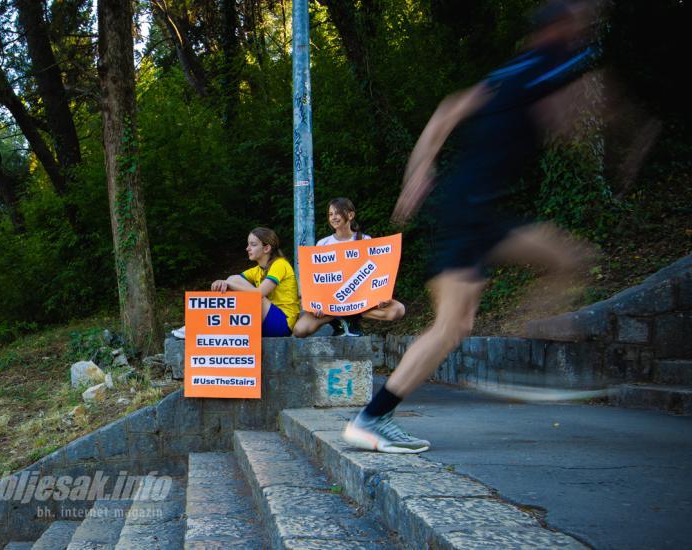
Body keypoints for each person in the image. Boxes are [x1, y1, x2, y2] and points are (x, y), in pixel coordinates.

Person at [342, 0, 605, 453]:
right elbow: (564, 121)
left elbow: (448, 110)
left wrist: (419, 170)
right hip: (473, 212)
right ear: (558, 28)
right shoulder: (543, 65)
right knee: (456, 322)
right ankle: (372, 417)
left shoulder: (515, 72)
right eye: (579, 20)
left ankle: (375, 415)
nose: (586, 25)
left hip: (469, 210)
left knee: (459, 322)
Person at [293, 197, 406, 338]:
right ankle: (339, 318)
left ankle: (353, 316)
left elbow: (375, 274)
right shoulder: (323, 243)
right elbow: (316, 280)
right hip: (331, 305)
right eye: (330, 214)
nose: (333, 217)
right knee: (300, 330)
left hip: (362, 302)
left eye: (337, 213)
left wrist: (381, 296)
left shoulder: (365, 240)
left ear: (350, 215)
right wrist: (317, 304)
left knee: (398, 310)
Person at [171, 228, 300, 339]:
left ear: (266, 248)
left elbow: (259, 293)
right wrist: (225, 283)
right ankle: (200, 326)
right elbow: (233, 282)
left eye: (253, 244)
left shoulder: (280, 264)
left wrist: (229, 284)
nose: (247, 248)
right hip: (267, 321)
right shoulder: (257, 270)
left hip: (282, 324)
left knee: (238, 284)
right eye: (248, 244)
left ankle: (198, 327)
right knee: (232, 279)